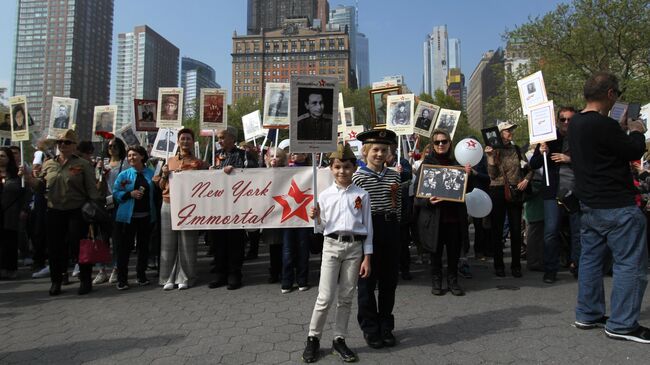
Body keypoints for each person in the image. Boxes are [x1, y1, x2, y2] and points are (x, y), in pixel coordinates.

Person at [570, 72, 649, 343]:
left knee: (591, 260)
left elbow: (605, 149)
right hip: (617, 205)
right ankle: (623, 324)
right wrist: (637, 131)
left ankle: (588, 313)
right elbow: (632, 151)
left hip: (590, 204)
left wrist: (620, 128)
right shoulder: (603, 125)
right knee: (630, 263)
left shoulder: (577, 123)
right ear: (610, 95)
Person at [301, 143, 373, 363]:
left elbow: (368, 227)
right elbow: (322, 229)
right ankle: (313, 338)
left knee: (346, 297)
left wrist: (367, 257)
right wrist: (316, 217)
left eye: (347, 167)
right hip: (331, 246)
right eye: (338, 167)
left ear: (354, 168)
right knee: (325, 297)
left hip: (354, 249)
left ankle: (339, 339)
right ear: (331, 168)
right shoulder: (324, 196)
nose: (342, 171)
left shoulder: (362, 195)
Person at [31, 129, 101, 296]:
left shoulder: (83, 164)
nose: (63, 145)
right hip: (54, 211)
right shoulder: (49, 164)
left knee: (79, 248)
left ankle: (85, 280)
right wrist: (28, 177)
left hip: (77, 211)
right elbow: (40, 187)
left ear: (74, 145)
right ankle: (57, 281)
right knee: (55, 248)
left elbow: (92, 190)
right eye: (60, 142)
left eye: (67, 142)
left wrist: (95, 210)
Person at [353, 128, 401, 349]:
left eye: (384, 150)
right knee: (367, 282)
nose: (380, 154)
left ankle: (386, 325)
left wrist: (398, 227)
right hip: (368, 227)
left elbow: (398, 204)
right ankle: (370, 328)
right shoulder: (358, 178)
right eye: (375, 150)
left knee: (389, 281)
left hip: (390, 227)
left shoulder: (394, 175)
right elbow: (355, 211)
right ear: (365, 152)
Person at [414, 129, 472, 296]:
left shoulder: (458, 164)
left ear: (449, 143)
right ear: (432, 145)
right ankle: (437, 281)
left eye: (444, 141)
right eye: (437, 142)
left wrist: (468, 175)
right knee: (435, 252)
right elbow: (417, 196)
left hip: (454, 218)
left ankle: (453, 281)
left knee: (454, 253)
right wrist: (427, 201)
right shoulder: (426, 165)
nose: (441, 144)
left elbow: (467, 191)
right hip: (434, 219)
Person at [529, 106, 580, 284]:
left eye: (570, 119)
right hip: (552, 192)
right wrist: (542, 151)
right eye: (563, 119)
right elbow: (534, 164)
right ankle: (551, 269)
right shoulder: (548, 139)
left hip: (575, 192)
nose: (566, 122)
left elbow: (592, 161)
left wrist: (569, 159)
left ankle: (577, 265)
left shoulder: (580, 138)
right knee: (550, 232)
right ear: (558, 120)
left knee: (577, 232)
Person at [154, 128, 208, 290]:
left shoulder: (198, 163)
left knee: (188, 242)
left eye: (188, 139)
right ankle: (167, 277)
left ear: (193, 142)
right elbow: (160, 185)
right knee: (168, 242)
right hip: (168, 203)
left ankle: (185, 277)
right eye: (182, 138)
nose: (185, 141)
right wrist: (164, 174)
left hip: (189, 206)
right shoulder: (167, 161)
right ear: (177, 141)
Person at [208, 127, 258, 290]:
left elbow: (253, 173)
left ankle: (234, 274)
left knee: (235, 242)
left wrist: (235, 171)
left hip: (236, 207)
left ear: (232, 138)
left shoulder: (244, 155)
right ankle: (220, 273)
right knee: (219, 241)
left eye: (222, 137)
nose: (219, 140)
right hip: (218, 206)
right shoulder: (217, 156)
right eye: (219, 138)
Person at [484, 121, 533, 278]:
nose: (510, 132)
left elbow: (529, 170)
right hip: (497, 190)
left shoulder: (517, 149)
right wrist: (491, 157)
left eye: (511, 130)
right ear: (500, 133)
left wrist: (525, 180)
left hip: (515, 191)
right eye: (507, 130)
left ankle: (516, 266)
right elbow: (491, 175)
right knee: (497, 230)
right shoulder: (493, 150)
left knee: (516, 230)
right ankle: (499, 265)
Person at [113, 146, 156, 290]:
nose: (131, 158)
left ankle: (141, 275)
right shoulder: (124, 175)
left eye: (134, 155)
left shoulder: (151, 174)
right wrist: (129, 194)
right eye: (129, 155)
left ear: (142, 156)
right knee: (123, 249)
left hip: (146, 217)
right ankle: (122, 279)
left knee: (143, 248)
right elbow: (116, 192)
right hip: (126, 218)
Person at [281, 152, 313, 294]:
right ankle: (287, 281)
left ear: (305, 155)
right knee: (288, 251)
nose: (293, 154)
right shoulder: (284, 168)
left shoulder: (313, 169)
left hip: (303, 217)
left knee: (303, 249)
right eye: (291, 151)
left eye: (297, 151)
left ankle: (302, 280)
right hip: (288, 217)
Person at [0, 147, 28, 279]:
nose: (0, 158)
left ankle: (10, 268)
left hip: (11, 212)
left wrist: (24, 209)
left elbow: (25, 193)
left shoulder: (17, 175)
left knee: (10, 241)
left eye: (3, 156)